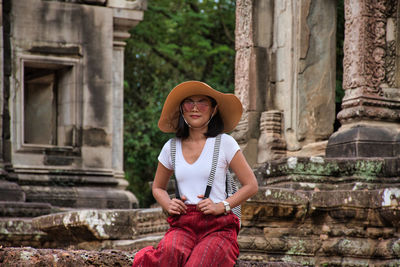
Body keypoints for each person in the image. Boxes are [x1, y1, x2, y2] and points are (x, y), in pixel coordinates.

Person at [132, 81, 258, 267]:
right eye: (189, 103)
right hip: (183, 224)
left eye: (202, 103)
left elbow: (251, 185)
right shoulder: (171, 147)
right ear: (182, 109)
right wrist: (168, 203)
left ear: (213, 110)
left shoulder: (225, 143)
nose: (195, 108)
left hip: (219, 227)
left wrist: (221, 206)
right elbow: (158, 187)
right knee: (168, 255)